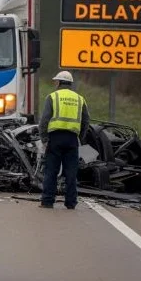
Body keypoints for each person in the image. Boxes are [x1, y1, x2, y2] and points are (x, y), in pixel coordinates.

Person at [38, 70, 90, 209]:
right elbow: (86, 121)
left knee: (51, 171)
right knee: (71, 173)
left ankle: (48, 201)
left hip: (55, 138)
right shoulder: (80, 99)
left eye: (56, 81)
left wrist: (44, 139)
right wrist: (80, 137)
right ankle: (71, 203)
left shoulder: (53, 97)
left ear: (59, 82)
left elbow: (44, 120)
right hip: (72, 139)